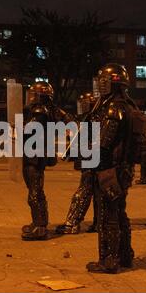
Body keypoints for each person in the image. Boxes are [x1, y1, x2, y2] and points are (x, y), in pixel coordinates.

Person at [86, 63, 142, 274]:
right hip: (124, 168)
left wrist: (87, 154)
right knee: (119, 212)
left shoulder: (113, 108)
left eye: (104, 81)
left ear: (112, 84)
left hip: (110, 169)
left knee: (107, 214)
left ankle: (109, 260)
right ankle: (126, 255)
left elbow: (104, 142)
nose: (100, 85)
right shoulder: (128, 104)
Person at [21, 81, 73, 241]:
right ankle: (38, 222)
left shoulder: (39, 111)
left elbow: (29, 130)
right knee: (35, 190)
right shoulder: (51, 110)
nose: (29, 97)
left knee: (35, 192)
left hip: (35, 156)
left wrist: (17, 128)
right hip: (37, 154)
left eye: (32, 94)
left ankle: (40, 226)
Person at [56, 93, 99, 235]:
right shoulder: (91, 119)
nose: (82, 106)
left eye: (85, 103)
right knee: (98, 192)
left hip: (92, 160)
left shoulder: (92, 119)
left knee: (84, 191)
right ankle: (99, 223)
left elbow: (81, 139)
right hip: (94, 159)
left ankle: (73, 223)